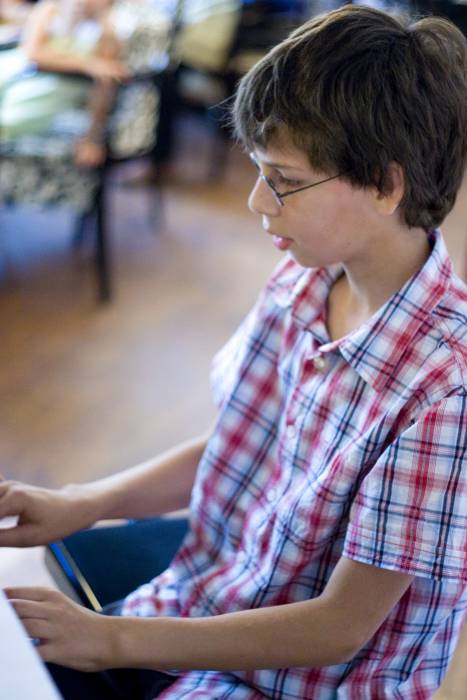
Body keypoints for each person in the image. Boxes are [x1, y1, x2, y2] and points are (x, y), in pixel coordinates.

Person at [1, 4, 467, 698]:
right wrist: (81, 501)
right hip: (224, 587)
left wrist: (113, 640)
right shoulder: (304, 277)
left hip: (314, 677)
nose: (256, 200)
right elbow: (240, 446)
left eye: (281, 180)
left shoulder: (444, 388)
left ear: (384, 184)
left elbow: (339, 626)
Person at [0, 0, 129, 167]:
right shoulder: (49, 9)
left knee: (12, 118)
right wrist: (88, 64)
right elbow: (32, 53)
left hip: (50, 92)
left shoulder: (107, 31)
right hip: (15, 71)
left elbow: (105, 82)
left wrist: (93, 139)